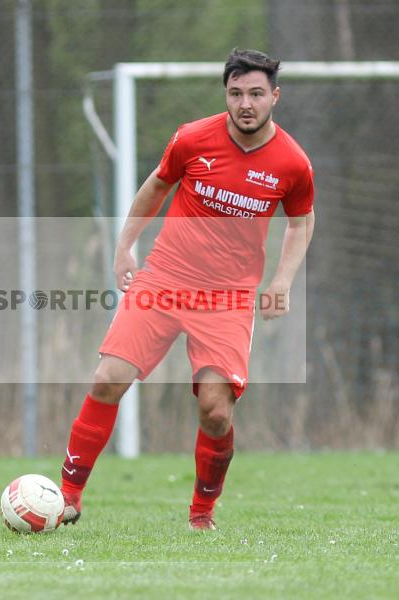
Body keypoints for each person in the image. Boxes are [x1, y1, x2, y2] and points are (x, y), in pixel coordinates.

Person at [59, 49, 315, 530]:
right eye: (236, 93)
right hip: (165, 279)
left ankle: (202, 513)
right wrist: (124, 248)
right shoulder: (193, 137)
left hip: (228, 298)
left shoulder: (293, 163)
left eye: (256, 94)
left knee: (216, 414)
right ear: (226, 94)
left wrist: (282, 280)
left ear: (274, 97)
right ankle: (67, 497)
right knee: (107, 378)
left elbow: (301, 223)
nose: (246, 103)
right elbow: (157, 186)